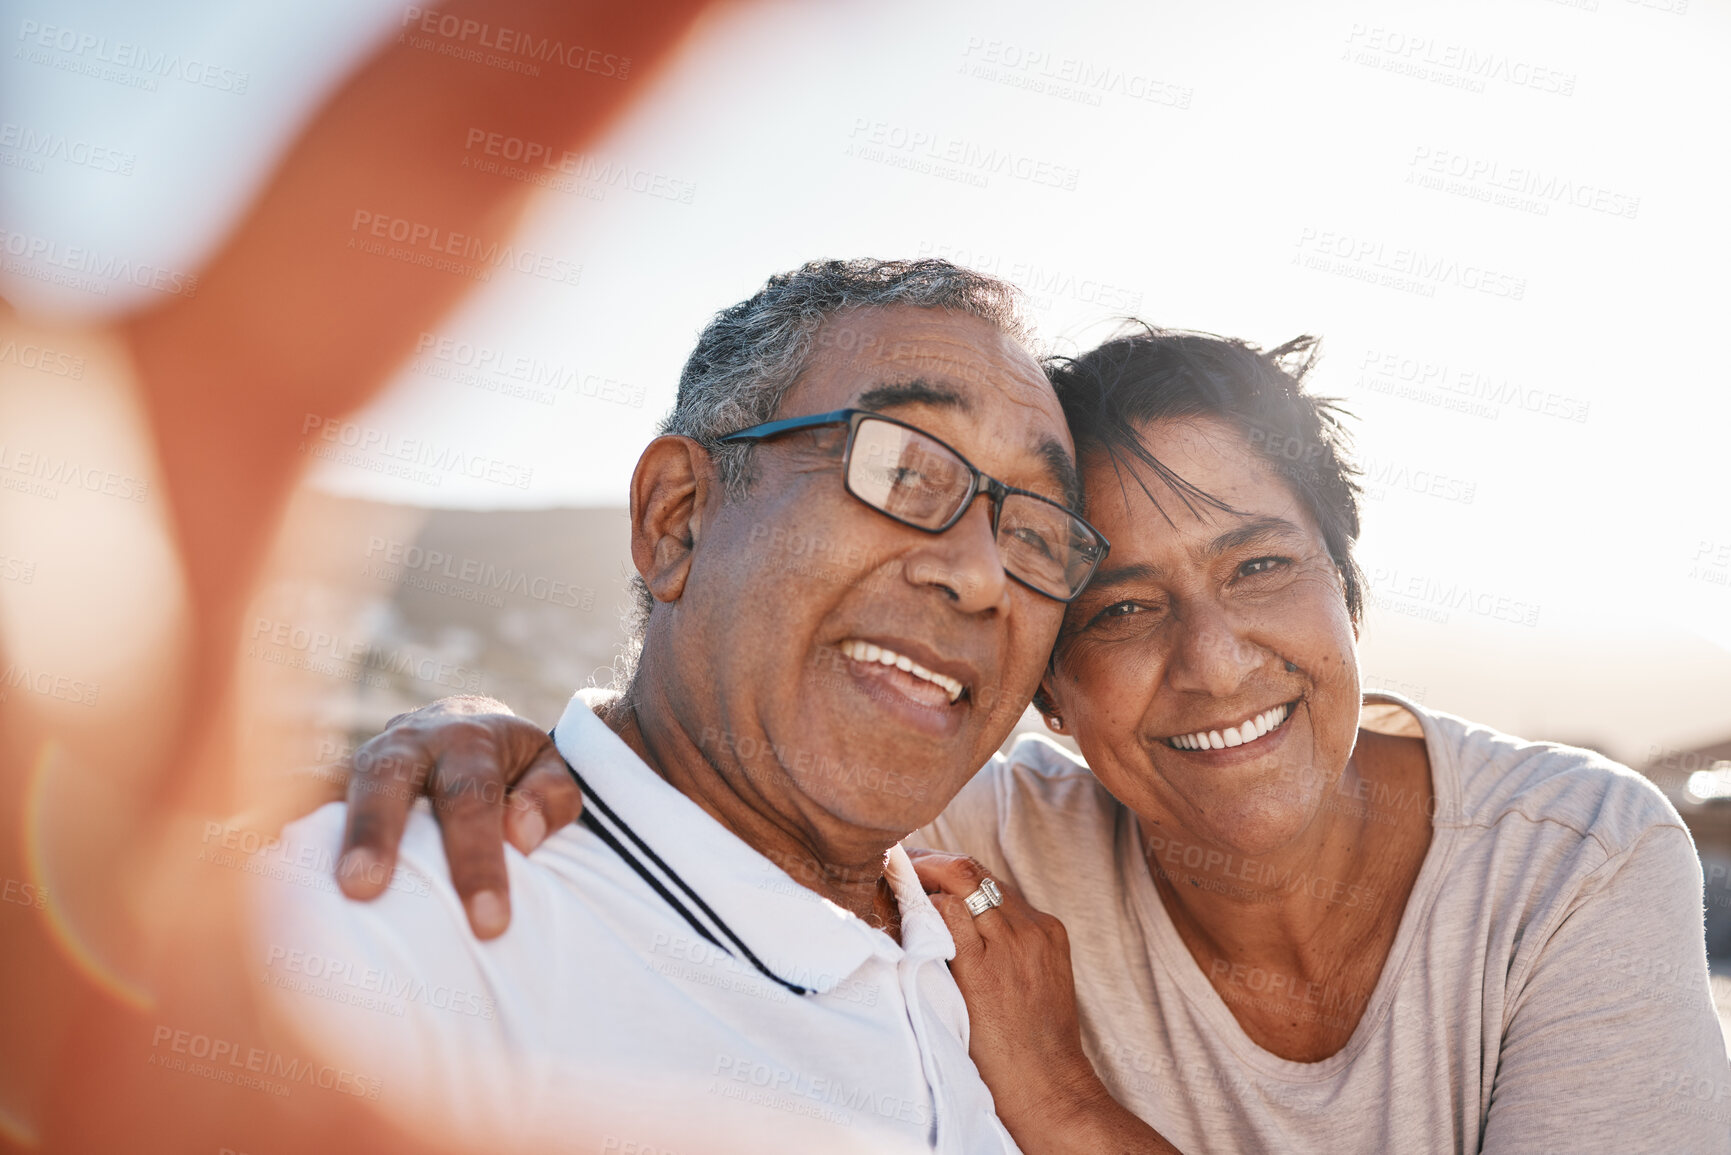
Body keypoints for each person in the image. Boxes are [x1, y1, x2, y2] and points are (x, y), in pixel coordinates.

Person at [334, 322, 1731, 1153]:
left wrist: (1069, 1108)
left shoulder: (1573, 861)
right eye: (1120, 606)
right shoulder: (978, 841)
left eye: (1260, 567)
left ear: (1347, 589)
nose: (1211, 660)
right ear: (1044, 688)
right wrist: (473, 736)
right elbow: (717, 767)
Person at [253, 258, 1174, 1154]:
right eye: (900, 471)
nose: (980, 574)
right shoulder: (399, 934)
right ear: (677, 517)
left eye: (1035, 533)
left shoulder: (999, 972)